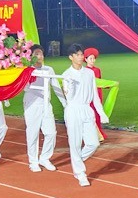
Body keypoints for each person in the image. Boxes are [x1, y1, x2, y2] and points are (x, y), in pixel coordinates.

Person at [61, 44, 108, 187]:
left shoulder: (90, 73)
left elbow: (95, 95)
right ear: (71, 57)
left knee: (93, 142)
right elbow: (69, 97)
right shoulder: (66, 75)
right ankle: (80, 173)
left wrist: (101, 113)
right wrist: (71, 86)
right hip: (73, 110)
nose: (81, 57)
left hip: (87, 110)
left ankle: (77, 162)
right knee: (75, 143)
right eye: (77, 55)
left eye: (81, 54)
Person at [23, 44, 62, 172]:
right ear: (31, 56)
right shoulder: (27, 70)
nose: (39, 56)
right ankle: (33, 161)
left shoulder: (48, 70)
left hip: (46, 105)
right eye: (36, 54)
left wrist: (65, 104)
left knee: (51, 132)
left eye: (41, 53)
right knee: (33, 133)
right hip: (32, 105)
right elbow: (23, 87)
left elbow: (56, 87)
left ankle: (44, 158)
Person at [83, 47, 107, 141]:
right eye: (90, 58)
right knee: (90, 113)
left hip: (98, 93)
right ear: (85, 59)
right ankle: (91, 133)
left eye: (94, 58)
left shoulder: (97, 70)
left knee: (97, 112)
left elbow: (100, 81)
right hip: (89, 94)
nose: (93, 61)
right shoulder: (84, 71)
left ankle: (99, 132)